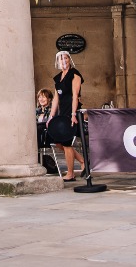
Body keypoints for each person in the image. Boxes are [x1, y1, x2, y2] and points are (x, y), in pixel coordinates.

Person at [48, 50, 85, 182]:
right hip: (61, 113)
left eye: (66, 58)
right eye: (61, 59)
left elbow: (75, 95)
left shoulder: (75, 74)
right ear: (57, 62)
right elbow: (55, 100)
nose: (63, 61)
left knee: (67, 143)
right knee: (58, 142)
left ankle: (70, 174)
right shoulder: (57, 78)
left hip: (71, 112)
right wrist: (51, 117)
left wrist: (73, 114)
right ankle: (82, 161)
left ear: (69, 59)